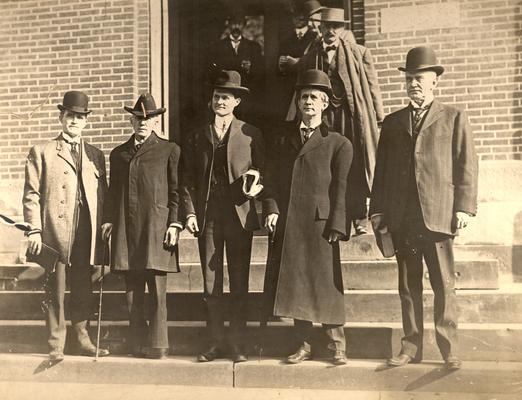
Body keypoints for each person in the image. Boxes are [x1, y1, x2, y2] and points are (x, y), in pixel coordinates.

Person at [369, 46, 479, 370]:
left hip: (439, 214)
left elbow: (466, 165)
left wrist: (463, 208)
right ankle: (410, 346)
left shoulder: (453, 117)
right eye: (409, 79)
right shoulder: (391, 123)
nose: (414, 84)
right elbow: (382, 172)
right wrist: (377, 211)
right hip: (402, 216)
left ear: (434, 82)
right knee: (407, 284)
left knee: (444, 283)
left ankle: (449, 349)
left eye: (420, 78)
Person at [263, 69, 353, 365]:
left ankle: (336, 343)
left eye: (315, 97)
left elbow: (342, 188)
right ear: (298, 102)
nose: (309, 102)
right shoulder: (282, 140)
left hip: (321, 224)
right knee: (297, 282)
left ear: (325, 103)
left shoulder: (338, 143)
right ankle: (303, 343)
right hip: (290, 222)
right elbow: (272, 182)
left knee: (326, 283)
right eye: (304, 97)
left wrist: (338, 224)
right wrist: (272, 210)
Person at [180, 70, 265, 363]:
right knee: (210, 283)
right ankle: (215, 343)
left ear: (237, 101)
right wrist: (189, 213)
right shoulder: (196, 136)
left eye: (226, 97)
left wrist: (255, 182)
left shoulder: (251, 134)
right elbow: (187, 180)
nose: (220, 101)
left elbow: (264, 172)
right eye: (216, 96)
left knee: (239, 282)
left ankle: (238, 344)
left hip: (239, 215)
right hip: (209, 218)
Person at [23, 90, 110, 361]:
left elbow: (103, 194)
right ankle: (55, 344)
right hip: (55, 231)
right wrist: (34, 229)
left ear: (86, 122)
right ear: (61, 117)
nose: (74, 121)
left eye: (80, 117)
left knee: (83, 285)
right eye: (70, 116)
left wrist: (106, 224)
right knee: (56, 287)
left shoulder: (96, 154)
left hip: (87, 230)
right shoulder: (42, 152)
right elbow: (31, 194)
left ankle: (81, 338)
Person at [102, 93, 181, 359]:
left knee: (157, 289)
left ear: (157, 120)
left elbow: (176, 191)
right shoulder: (119, 153)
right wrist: (109, 219)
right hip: (127, 227)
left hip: (156, 227)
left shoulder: (169, 150)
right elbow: (113, 192)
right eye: (138, 118)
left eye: (149, 118)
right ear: (131, 121)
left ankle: (158, 344)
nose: (143, 123)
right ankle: (136, 341)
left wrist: (175, 224)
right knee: (132, 289)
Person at [295, 7, 384, 235]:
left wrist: (379, 115)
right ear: (320, 28)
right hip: (323, 116)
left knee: (354, 164)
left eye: (336, 26)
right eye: (327, 26)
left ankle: (358, 217)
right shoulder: (312, 53)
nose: (331, 31)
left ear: (342, 29)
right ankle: (331, 216)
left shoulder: (358, 52)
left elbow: (372, 86)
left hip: (349, 115)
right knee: (324, 164)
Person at [207, 14, 264, 125]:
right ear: (228, 24)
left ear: (244, 25)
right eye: (233, 23)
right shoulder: (216, 47)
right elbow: (211, 74)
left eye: (239, 23)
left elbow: (260, 74)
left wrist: (250, 69)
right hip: (225, 95)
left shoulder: (254, 47)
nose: (236, 26)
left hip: (246, 98)